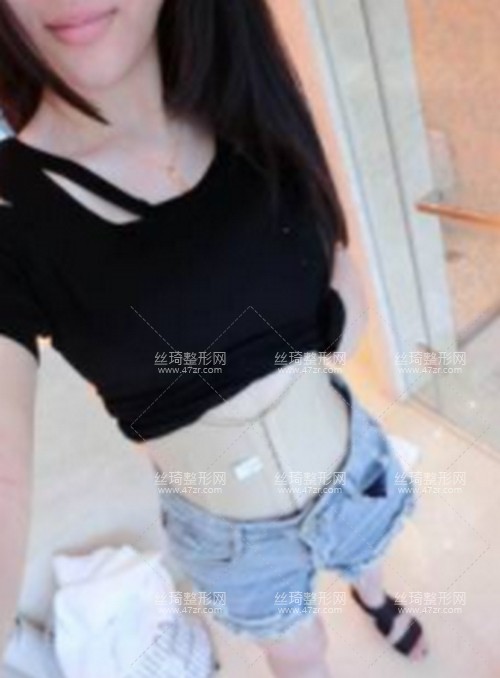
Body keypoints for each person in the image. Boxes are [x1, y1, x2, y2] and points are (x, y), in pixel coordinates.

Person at [0, 0, 428, 676]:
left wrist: (343, 304)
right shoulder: (11, 210)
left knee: (368, 559)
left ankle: (373, 597)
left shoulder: (248, 103)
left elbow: (330, 236)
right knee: (301, 657)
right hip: (231, 537)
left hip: (348, 466)